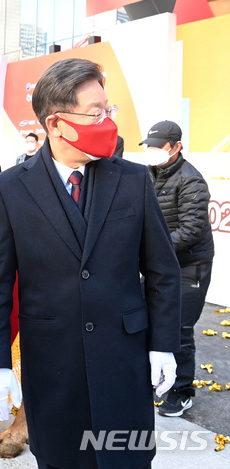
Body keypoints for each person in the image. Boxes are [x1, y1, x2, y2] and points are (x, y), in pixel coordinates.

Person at [0, 58, 181, 469]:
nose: (107, 120)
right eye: (96, 113)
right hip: (53, 368)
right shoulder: (10, 189)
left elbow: (162, 271)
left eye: (109, 110)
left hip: (124, 361)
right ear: (56, 123)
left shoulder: (132, 180)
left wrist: (163, 345)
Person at [141, 120, 214, 418]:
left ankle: (182, 391)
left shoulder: (191, 181)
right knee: (150, 319)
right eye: (150, 146)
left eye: (159, 147)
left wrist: (151, 248)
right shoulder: (149, 174)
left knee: (180, 327)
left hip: (190, 264)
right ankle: (157, 379)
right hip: (161, 262)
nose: (153, 152)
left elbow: (191, 229)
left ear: (177, 147)